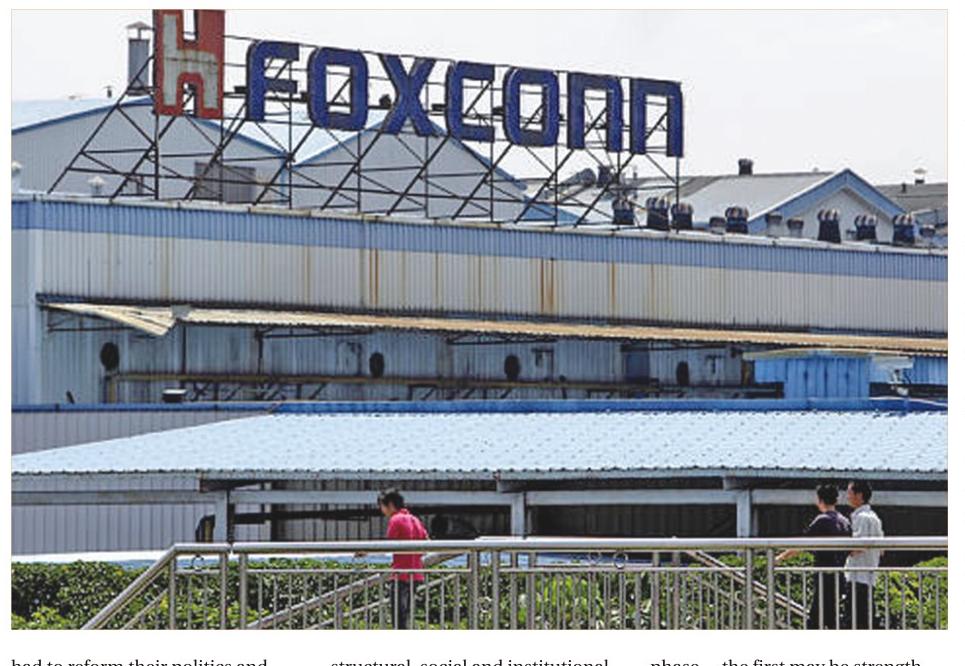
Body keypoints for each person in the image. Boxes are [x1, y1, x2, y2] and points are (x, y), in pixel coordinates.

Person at [776, 483, 851, 629]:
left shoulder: (822, 520)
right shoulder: (845, 522)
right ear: (836, 500)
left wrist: (780, 558)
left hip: (825, 577)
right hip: (839, 576)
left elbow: (802, 544)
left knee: (815, 621)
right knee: (831, 619)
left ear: (820, 500)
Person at [378, 488, 428, 629]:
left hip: (401, 575)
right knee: (406, 615)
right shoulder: (415, 520)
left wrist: (366, 552)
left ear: (390, 505)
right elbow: (426, 542)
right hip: (416, 574)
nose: (382, 510)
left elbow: (388, 545)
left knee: (398, 618)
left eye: (382, 506)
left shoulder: (396, 519)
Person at [844, 479, 884, 629]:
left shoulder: (862, 518)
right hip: (869, 576)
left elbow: (857, 546)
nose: (847, 496)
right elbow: (882, 550)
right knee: (866, 620)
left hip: (857, 576)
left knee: (854, 621)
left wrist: (839, 550)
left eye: (849, 492)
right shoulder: (874, 517)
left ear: (859, 495)